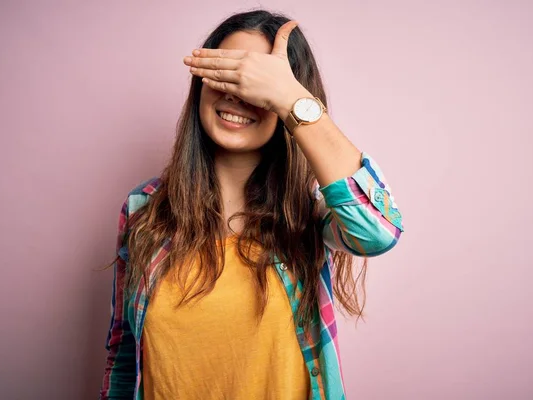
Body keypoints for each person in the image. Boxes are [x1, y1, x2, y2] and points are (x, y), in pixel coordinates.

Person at [99, 9, 404, 400]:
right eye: (227, 75)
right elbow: (124, 357)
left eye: (255, 83)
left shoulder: (309, 208)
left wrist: (292, 98)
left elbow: (378, 232)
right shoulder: (143, 208)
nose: (236, 94)